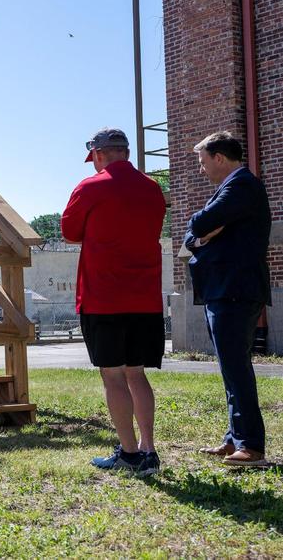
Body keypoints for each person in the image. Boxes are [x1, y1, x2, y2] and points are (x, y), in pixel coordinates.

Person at [61, 127, 166, 476]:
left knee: (113, 376)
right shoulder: (152, 188)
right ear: (126, 152)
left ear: (100, 154)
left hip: (103, 296)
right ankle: (150, 450)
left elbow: (70, 232)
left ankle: (130, 452)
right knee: (136, 373)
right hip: (145, 297)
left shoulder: (91, 187)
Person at [184, 131, 271, 467]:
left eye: (203, 162)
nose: (201, 169)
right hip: (223, 289)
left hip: (236, 289)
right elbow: (193, 237)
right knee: (229, 368)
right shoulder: (229, 190)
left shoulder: (242, 186)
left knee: (236, 368)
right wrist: (202, 234)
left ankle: (251, 446)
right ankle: (235, 438)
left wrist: (203, 228)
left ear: (219, 157)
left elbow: (198, 222)